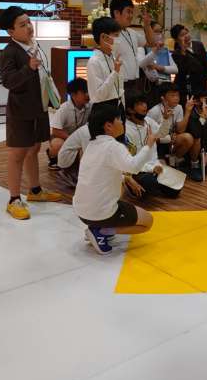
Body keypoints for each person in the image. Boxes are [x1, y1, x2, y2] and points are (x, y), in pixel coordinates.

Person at [0, 6, 63, 220]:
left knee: (34, 148)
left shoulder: (34, 44)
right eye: (22, 24)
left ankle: (35, 190)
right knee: (17, 153)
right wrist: (29, 68)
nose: (29, 27)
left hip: (39, 107)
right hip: (21, 110)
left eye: (28, 22)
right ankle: (13, 199)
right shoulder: (10, 51)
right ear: (11, 31)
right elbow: (8, 81)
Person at [73, 103, 155, 255]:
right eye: (118, 119)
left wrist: (126, 178)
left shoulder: (92, 145)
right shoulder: (113, 146)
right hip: (100, 213)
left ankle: (98, 228)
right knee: (147, 222)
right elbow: (134, 167)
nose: (122, 122)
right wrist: (148, 145)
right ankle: (101, 232)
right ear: (108, 126)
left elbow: (99, 172)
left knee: (120, 187)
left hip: (80, 211)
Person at [124, 92, 183, 198]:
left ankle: (156, 183)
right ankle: (131, 186)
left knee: (175, 190)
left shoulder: (148, 121)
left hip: (155, 166)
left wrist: (166, 119)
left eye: (144, 103)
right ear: (130, 109)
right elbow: (131, 161)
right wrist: (151, 169)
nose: (145, 106)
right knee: (149, 183)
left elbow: (162, 134)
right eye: (140, 104)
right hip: (138, 170)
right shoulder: (126, 129)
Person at [147, 82, 203, 181]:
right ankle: (167, 163)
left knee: (188, 138)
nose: (176, 98)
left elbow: (180, 129)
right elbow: (148, 137)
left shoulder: (178, 108)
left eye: (177, 95)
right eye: (172, 95)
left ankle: (173, 160)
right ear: (163, 98)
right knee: (162, 173)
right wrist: (167, 138)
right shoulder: (154, 112)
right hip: (156, 146)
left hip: (171, 142)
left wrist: (188, 111)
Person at [110, 0, 154, 93]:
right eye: (128, 11)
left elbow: (151, 43)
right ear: (116, 13)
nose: (131, 15)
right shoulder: (109, 33)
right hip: (120, 82)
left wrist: (147, 25)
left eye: (132, 12)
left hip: (135, 82)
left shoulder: (131, 32)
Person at [47, 77, 90, 168]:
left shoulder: (90, 106)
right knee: (57, 145)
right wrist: (73, 139)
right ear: (73, 95)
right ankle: (53, 157)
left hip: (80, 138)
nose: (88, 95)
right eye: (84, 92)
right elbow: (55, 131)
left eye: (88, 91)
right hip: (64, 138)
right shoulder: (64, 108)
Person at [87, 16, 124, 112]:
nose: (118, 39)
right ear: (103, 37)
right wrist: (115, 72)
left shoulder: (113, 57)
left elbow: (120, 89)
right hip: (103, 111)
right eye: (116, 35)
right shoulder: (94, 61)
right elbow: (98, 96)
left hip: (118, 108)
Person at [170, 24, 207, 104]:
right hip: (187, 86)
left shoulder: (198, 44)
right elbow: (183, 71)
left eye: (186, 33)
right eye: (182, 35)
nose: (186, 36)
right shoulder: (176, 53)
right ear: (176, 40)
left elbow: (206, 64)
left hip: (201, 82)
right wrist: (183, 51)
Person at [138, 26, 178, 108]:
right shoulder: (141, 48)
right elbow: (142, 64)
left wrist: (159, 67)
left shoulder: (164, 50)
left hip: (164, 87)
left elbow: (175, 69)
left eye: (161, 31)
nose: (160, 34)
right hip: (149, 88)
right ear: (148, 32)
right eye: (156, 31)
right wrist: (155, 50)